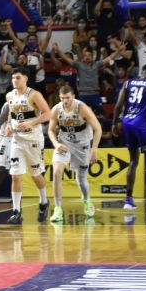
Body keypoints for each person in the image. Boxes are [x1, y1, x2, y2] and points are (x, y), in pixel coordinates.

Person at [47, 85, 102, 222]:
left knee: (81, 179)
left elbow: (98, 129)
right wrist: (56, 144)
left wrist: (94, 150)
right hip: (64, 143)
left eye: (67, 98)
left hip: (82, 144)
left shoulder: (82, 108)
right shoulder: (56, 109)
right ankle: (58, 209)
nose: (65, 101)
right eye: (62, 98)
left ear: (73, 96)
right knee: (56, 172)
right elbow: (50, 130)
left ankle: (87, 200)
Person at [6, 66, 53, 224]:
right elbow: (11, 114)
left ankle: (44, 202)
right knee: (15, 176)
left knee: (35, 175)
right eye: (13, 78)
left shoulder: (34, 94)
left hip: (33, 140)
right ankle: (16, 212)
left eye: (18, 77)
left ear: (25, 79)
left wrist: (30, 123)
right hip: (17, 140)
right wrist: (8, 125)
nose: (15, 80)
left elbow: (48, 114)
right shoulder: (9, 95)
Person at [113, 63, 146, 213]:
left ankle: (128, 199)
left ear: (142, 71)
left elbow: (118, 105)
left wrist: (114, 123)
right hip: (143, 123)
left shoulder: (128, 82)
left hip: (128, 122)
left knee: (133, 161)